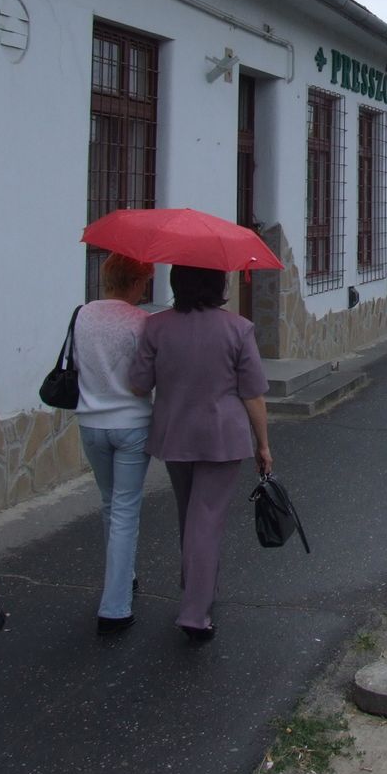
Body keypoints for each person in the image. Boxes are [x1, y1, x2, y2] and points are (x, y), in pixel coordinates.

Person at [130, 265, 271, 642]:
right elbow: (253, 394)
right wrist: (263, 444)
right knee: (206, 520)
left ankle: (196, 584)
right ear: (218, 283)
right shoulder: (238, 328)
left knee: (189, 514)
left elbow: (139, 383)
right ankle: (195, 611)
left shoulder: (156, 326)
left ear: (177, 282)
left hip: (174, 433)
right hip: (222, 437)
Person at [74, 252, 155, 635]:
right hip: (132, 424)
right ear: (135, 282)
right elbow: (145, 380)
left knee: (110, 504)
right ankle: (115, 606)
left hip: (91, 422)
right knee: (125, 510)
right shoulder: (142, 322)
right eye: (144, 282)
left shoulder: (82, 315)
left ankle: (124, 576)